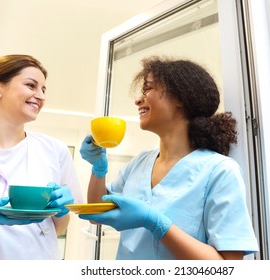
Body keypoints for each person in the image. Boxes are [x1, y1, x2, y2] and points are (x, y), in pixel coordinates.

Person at [78, 56, 259, 260]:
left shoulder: (220, 171)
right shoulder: (139, 163)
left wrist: (156, 223)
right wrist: (98, 169)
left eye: (148, 89)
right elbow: (96, 213)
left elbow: (229, 264)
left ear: (180, 98)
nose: (138, 100)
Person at [0, 54, 83, 259]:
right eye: (31, 85)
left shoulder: (56, 150)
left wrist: (61, 211)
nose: (41, 96)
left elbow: (59, 228)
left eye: (43, 90)